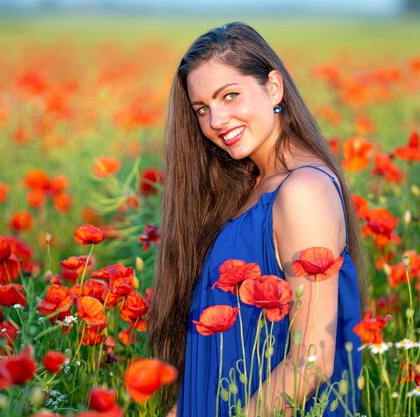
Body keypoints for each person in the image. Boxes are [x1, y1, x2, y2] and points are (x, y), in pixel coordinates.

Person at [148, 22, 365, 417]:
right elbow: (217, 361)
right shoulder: (251, 187)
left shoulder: (303, 192)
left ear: (274, 88)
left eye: (230, 96)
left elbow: (311, 363)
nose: (216, 120)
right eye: (202, 109)